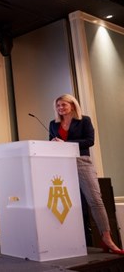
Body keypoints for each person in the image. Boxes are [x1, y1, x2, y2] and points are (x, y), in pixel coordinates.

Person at [49, 94, 124, 255]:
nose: (60, 108)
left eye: (63, 105)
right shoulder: (53, 124)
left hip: (81, 162)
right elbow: (50, 142)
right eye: (58, 106)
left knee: (95, 200)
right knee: (66, 202)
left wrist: (66, 144)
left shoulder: (84, 120)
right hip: (60, 165)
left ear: (73, 105)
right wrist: (53, 144)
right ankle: (69, 239)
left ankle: (106, 237)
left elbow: (90, 141)